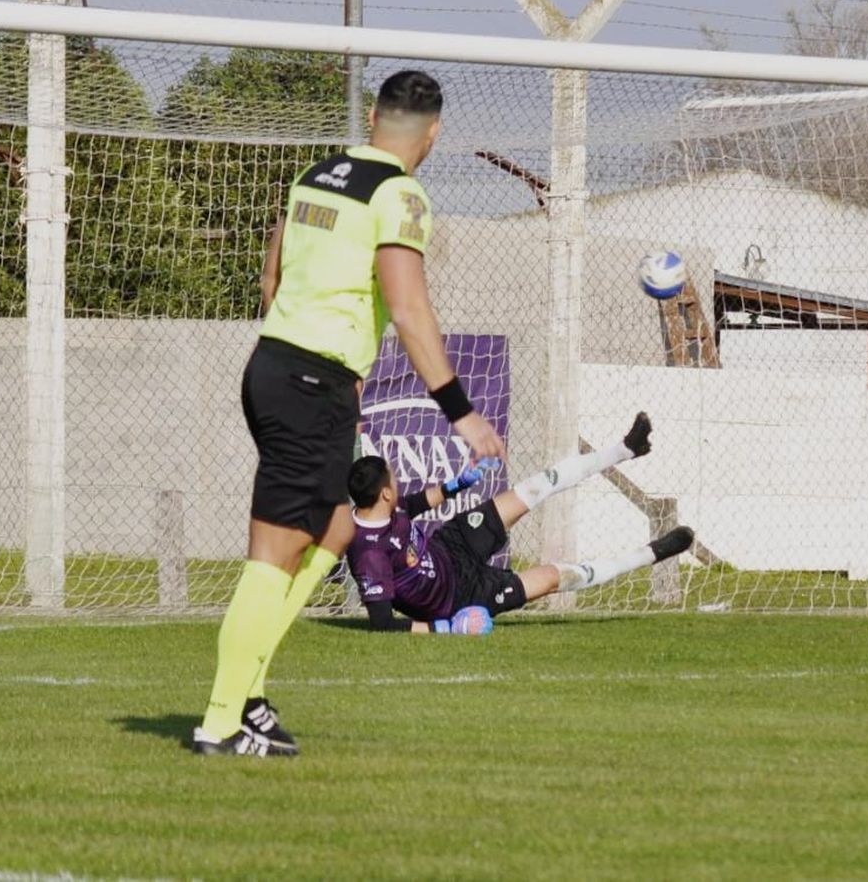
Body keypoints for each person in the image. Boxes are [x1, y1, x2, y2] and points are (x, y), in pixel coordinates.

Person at [193, 70, 506, 758]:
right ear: (433, 133)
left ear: (372, 116)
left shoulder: (316, 174)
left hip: (282, 367)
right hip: (309, 379)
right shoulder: (400, 193)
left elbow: (271, 277)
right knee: (274, 556)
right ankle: (222, 721)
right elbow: (408, 305)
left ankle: (249, 698)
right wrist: (461, 413)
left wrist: (317, 359)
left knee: (336, 527)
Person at [346, 413, 695, 631]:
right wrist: (448, 628)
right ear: (384, 495)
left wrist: (461, 484)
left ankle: (625, 449)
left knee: (532, 488)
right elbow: (381, 623)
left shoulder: (388, 508)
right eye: (393, 481)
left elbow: (417, 502)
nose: (399, 484)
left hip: (450, 545)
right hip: (462, 598)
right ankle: (653, 553)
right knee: (554, 576)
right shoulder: (369, 553)